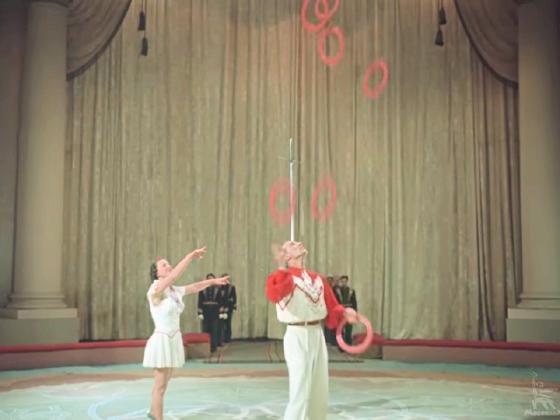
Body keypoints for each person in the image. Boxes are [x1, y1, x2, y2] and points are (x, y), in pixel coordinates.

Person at [265, 241, 358, 420]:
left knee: (319, 386)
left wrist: (345, 312)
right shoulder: (282, 276)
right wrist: (282, 267)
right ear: (287, 255)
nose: (299, 243)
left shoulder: (318, 278)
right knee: (300, 385)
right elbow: (274, 294)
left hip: (317, 333)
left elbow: (332, 305)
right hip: (296, 334)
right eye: (292, 244)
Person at [143, 247, 229, 420]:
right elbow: (174, 276)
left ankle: (152, 412)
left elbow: (195, 287)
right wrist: (190, 256)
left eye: (168, 264)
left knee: (164, 383)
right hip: (162, 340)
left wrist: (213, 281)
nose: (168, 266)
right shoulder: (155, 288)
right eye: (164, 265)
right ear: (157, 273)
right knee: (160, 386)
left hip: (173, 339)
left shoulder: (174, 290)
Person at [197, 273, 222, 352]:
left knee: (214, 330)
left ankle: (213, 347)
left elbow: (220, 301)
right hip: (205, 311)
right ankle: (205, 347)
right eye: (209, 279)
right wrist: (200, 313)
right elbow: (200, 301)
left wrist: (221, 312)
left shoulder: (218, 289)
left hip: (215, 311)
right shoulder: (202, 289)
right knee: (205, 330)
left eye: (212, 279)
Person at [334, 275, 358, 350]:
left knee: (348, 330)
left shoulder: (351, 291)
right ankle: (341, 346)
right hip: (340, 312)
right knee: (340, 330)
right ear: (340, 282)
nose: (343, 283)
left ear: (347, 282)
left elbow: (354, 302)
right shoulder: (337, 291)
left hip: (349, 312)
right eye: (342, 281)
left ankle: (348, 346)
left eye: (345, 281)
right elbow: (335, 302)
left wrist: (355, 313)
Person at [219, 273, 237, 343]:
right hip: (220, 309)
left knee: (228, 324)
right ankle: (221, 338)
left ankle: (228, 338)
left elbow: (234, 298)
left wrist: (233, 307)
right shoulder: (219, 287)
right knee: (221, 324)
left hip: (229, 308)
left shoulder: (231, 287)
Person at [323, 275, 338, 346]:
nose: (329, 281)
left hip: (334, 310)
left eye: (331, 280)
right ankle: (327, 340)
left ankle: (333, 341)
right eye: (328, 279)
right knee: (326, 325)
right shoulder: (323, 288)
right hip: (326, 309)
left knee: (334, 325)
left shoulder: (336, 289)